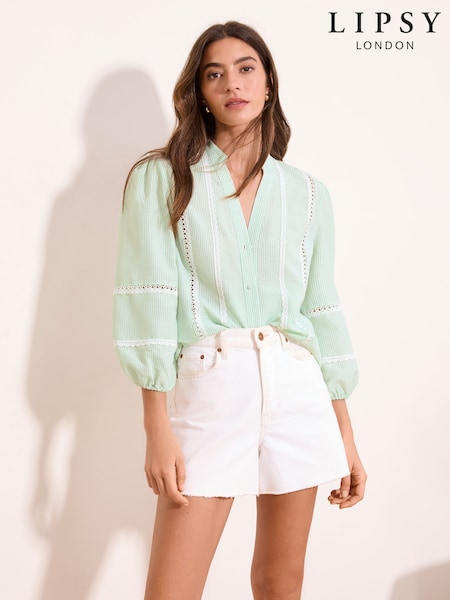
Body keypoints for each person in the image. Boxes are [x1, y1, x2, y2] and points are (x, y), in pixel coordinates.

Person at [113, 20, 367, 600]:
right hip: (211, 387)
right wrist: (156, 426)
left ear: (269, 82)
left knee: (280, 582)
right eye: (215, 73)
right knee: (171, 591)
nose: (233, 83)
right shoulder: (162, 179)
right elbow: (149, 303)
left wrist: (344, 435)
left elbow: (321, 311)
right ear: (200, 92)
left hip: (297, 388)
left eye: (246, 68)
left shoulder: (307, 193)